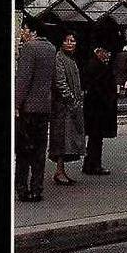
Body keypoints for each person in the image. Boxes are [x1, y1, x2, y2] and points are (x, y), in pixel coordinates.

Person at [14, 16, 57, 202]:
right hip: (44, 108)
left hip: (28, 109)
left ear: (33, 31)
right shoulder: (51, 48)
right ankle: (37, 188)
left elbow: (23, 80)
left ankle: (22, 189)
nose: (22, 33)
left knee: (24, 151)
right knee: (39, 151)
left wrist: (16, 104)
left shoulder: (29, 48)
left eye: (24, 29)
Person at [48, 31, 85, 185]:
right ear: (61, 43)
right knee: (62, 140)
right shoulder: (59, 58)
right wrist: (72, 100)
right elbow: (60, 82)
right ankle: (59, 171)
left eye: (73, 40)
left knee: (67, 140)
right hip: (63, 108)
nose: (70, 43)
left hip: (69, 107)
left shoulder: (70, 59)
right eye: (67, 40)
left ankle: (61, 171)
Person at [82, 46, 117, 175]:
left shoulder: (93, 65)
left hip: (94, 108)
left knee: (94, 138)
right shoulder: (98, 67)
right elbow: (100, 87)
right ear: (99, 52)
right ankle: (94, 165)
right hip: (98, 108)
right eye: (106, 52)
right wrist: (109, 99)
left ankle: (90, 164)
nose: (108, 54)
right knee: (96, 138)